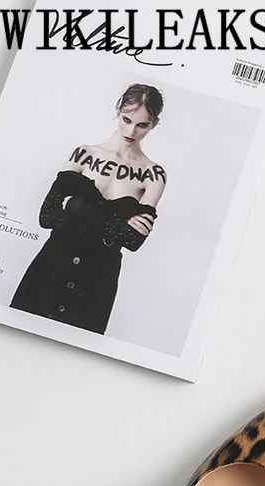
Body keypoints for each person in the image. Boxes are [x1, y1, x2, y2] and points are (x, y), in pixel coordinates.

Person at [10, 83, 168, 334]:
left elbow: (132, 240)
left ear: (154, 124)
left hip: (97, 280)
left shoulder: (153, 175)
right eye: (126, 120)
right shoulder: (83, 154)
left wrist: (74, 204)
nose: (131, 131)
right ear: (118, 110)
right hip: (52, 266)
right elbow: (47, 216)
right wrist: (115, 224)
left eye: (142, 125)